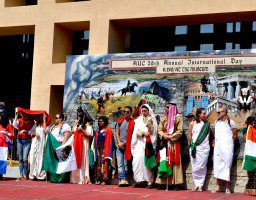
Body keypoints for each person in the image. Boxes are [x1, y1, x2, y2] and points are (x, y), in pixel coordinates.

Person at [156, 103, 183, 190]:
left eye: (168, 107)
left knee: (174, 161)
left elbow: (180, 130)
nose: (166, 109)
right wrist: (164, 135)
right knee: (163, 160)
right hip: (165, 142)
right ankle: (162, 182)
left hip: (173, 143)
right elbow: (159, 129)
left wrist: (171, 137)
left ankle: (175, 183)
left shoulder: (178, 118)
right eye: (166, 107)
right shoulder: (164, 118)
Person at [131, 104, 158, 189]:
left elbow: (154, 133)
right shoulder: (138, 120)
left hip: (148, 143)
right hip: (139, 143)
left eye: (145, 111)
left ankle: (150, 181)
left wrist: (148, 137)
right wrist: (142, 133)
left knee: (147, 163)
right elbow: (135, 132)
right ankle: (138, 181)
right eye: (142, 111)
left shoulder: (152, 120)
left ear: (148, 111)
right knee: (136, 162)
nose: (143, 112)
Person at [212, 107, 237, 194]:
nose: (218, 114)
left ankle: (227, 187)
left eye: (220, 112)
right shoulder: (216, 123)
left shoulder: (231, 122)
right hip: (218, 148)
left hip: (227, 147)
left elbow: (234, 135)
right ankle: (217, 186)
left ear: (225, 112)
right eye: (218, 112)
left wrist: (228, 144)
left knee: (227, 165)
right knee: (218, 165)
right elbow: (215, 133)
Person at [188, 108, 211, 192]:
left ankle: (201, 184)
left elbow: (208, 137)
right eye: (204, 113)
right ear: (199, 115)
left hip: (204, 148)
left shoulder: (207, 124)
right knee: (194, 165)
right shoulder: (192, 123)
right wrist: (192, 144)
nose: (205, 115)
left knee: (202, 165)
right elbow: (189, 136)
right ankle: (196, 184)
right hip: (194, 147)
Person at [71, 110, 94, 184]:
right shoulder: (77, 124)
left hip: (84, 143)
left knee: (83, 159)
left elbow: (89, 135)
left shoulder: (87, 125)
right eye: (77, 115)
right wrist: (75, 123)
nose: (78, 117)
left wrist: (82, 130)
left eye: (79, 116)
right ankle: (76, 178)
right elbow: (72, 132)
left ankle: (83, 178)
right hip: (77, 143)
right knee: (77, 159)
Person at [48, 113, 71, 183]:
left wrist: (62, 147)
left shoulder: (65, 126)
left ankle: (60, 179)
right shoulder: (53, 127)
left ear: (61, 118)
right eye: (55, 117)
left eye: (57, 117)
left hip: (60, 145)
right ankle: (54, 178)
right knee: (54, 162)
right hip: (53, 146)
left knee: (61, 163)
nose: (55, 119)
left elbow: (66, 136)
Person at [115, 106, 135, 187]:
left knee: (129, 164)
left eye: (127, 112)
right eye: (124, 112)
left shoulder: (133, 123)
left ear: (131, 113)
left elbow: (132, 135)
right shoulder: (120, 122)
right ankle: (122, 179)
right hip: (120, 146)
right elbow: (117, 133)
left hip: (129, 146)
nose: (125, 113)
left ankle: (130, 179)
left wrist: (124, 143)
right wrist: (120, 143)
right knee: (120, 163)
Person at [13, 112, 34, 181]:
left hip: (27, 141)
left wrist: (25, 131)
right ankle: (21, 174)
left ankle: (25, 174)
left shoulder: (31, 121)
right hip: (19, 140)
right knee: (20, 158)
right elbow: (14, 124)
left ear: (27, 115)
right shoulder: (19, 120)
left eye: (24, 114)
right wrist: (16, 117)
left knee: (25, 158)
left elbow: (32, 132)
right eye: (22, 114)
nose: (23, 115)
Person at [94, 116, 114, 185]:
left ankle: (104, 180)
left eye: (102, 121)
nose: (100, 123)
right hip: (99, 149)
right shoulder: (98, 131)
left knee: (104, 164)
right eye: (99, 121)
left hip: (105, 149)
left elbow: (110, 141)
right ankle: (99, 178)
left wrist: (108, 151)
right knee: (98, 164)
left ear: (105, 122)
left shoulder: (108, 130)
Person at [29, 114, 47, 180]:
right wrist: (34, 133)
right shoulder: (35, 125)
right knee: (33, 157)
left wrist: (44, 120)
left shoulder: (45, 124)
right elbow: (30, 132)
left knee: (40, 157)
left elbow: (45, 131)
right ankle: (33, 174)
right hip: (35, 143)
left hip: (41, 143)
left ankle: (40, 175)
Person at [243, 117, 256, 196]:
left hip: (250, 152)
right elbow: (245, 139)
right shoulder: (247, 129)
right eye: (252, 123)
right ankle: (249, 190)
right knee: (251, 173)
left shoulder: (251, 129)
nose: (253, 124)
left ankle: (250, 190)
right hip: (250, 152)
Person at [0, 114, 14, 180]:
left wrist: (6, 133)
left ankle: (1, 174)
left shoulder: (8, 126)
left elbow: (12, 136)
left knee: (3, 159)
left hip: (4, 146)